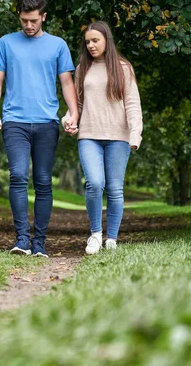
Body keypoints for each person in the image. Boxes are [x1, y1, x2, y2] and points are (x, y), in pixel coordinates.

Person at [0, 0, 79, 257]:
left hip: (47, 122)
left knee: (42, 182)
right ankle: (22, 240)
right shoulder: (6, 43)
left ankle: (39, 242)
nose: (29, 26)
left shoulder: (58, 45)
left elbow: (67, 83)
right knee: (17, 176)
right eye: (25, 20)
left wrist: (74, 114)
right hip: (14, 120)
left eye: (34, 21)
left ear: (44, 17)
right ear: (19, 16)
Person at [62, 20, 143, 255]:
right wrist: (68, 119)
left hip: (118, 137)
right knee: (95, 183)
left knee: (115, 189)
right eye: (87, 42)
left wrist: (135, 132)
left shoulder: (123, 68)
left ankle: (112, 239)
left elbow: (132, 104)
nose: (91, 45)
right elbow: (75, 104)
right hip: (89, 135)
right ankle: (96, 234)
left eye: (95, 40)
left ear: (107, 40)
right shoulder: (82, 69)